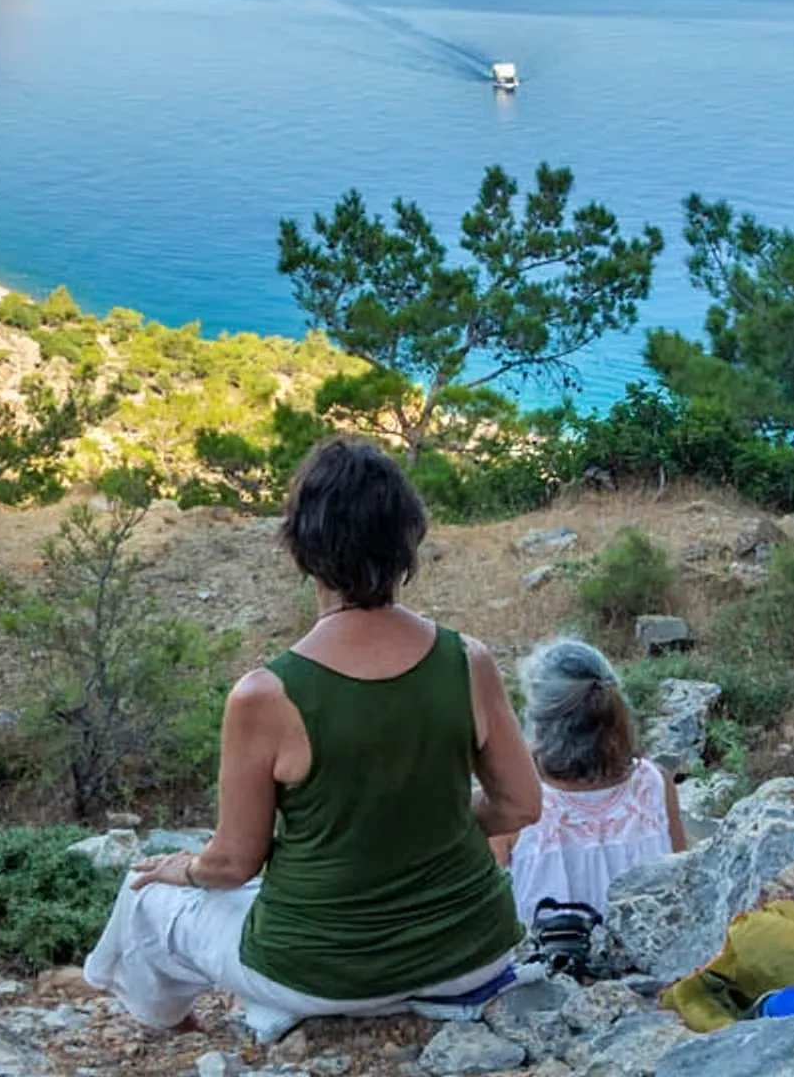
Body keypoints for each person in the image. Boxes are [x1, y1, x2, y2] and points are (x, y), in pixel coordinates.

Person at [83, 439, 541, 1042]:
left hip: (326, 972)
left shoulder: (265, 694)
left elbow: (233, 863)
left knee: (144, 893)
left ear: (302, 546)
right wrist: (429, 821)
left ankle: (173, 1032)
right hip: (470, 953)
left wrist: (182, 868)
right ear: (407, 539)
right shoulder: (467, 661)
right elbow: (521, 804)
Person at [494, 637, 686, 928]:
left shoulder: (512, 799)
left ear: (539, 718)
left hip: (549, 958)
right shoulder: (655, 785)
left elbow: (486, 921)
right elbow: (687, 892)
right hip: (655, 956)